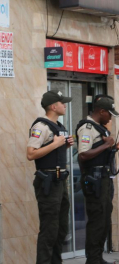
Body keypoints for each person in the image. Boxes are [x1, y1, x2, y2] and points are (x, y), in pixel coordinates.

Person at [76, 96, 119, 264]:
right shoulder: (87, 128)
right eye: (110, 114)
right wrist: (107, 145)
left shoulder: (100, 128)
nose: (110, 118)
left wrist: (115, 147)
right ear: (101, 111)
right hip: (95, 181)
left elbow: (98, 151)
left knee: (105, 220)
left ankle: (98, 258)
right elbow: (84, 154)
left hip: (104, 179)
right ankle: (92, 260)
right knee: (97, 221)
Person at [27, 90, 74, 264]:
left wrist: (64, 146)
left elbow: (51, 153)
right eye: (62, 103)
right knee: (49, 230)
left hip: (60, 181)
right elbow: (31, 154)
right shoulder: (40, 127)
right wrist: (55, 144)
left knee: (61, 229)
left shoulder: (58, 127)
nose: (65, 105)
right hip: (48, 182)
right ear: (53, 107)